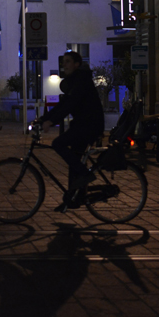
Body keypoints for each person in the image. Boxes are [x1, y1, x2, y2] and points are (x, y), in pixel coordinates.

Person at [34, 51, 104, 211]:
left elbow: (71, 104)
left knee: (58, 144)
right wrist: (44, 119)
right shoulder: (74, 80)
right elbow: (63, 104)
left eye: (67, 62)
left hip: (89, 125)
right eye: (63, 62)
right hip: (83, 125)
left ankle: (85, 175)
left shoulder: (81, 80)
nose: (64, 65)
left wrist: (51, 121)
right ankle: (73, 199)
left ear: (76, 64)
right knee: (75, 162)